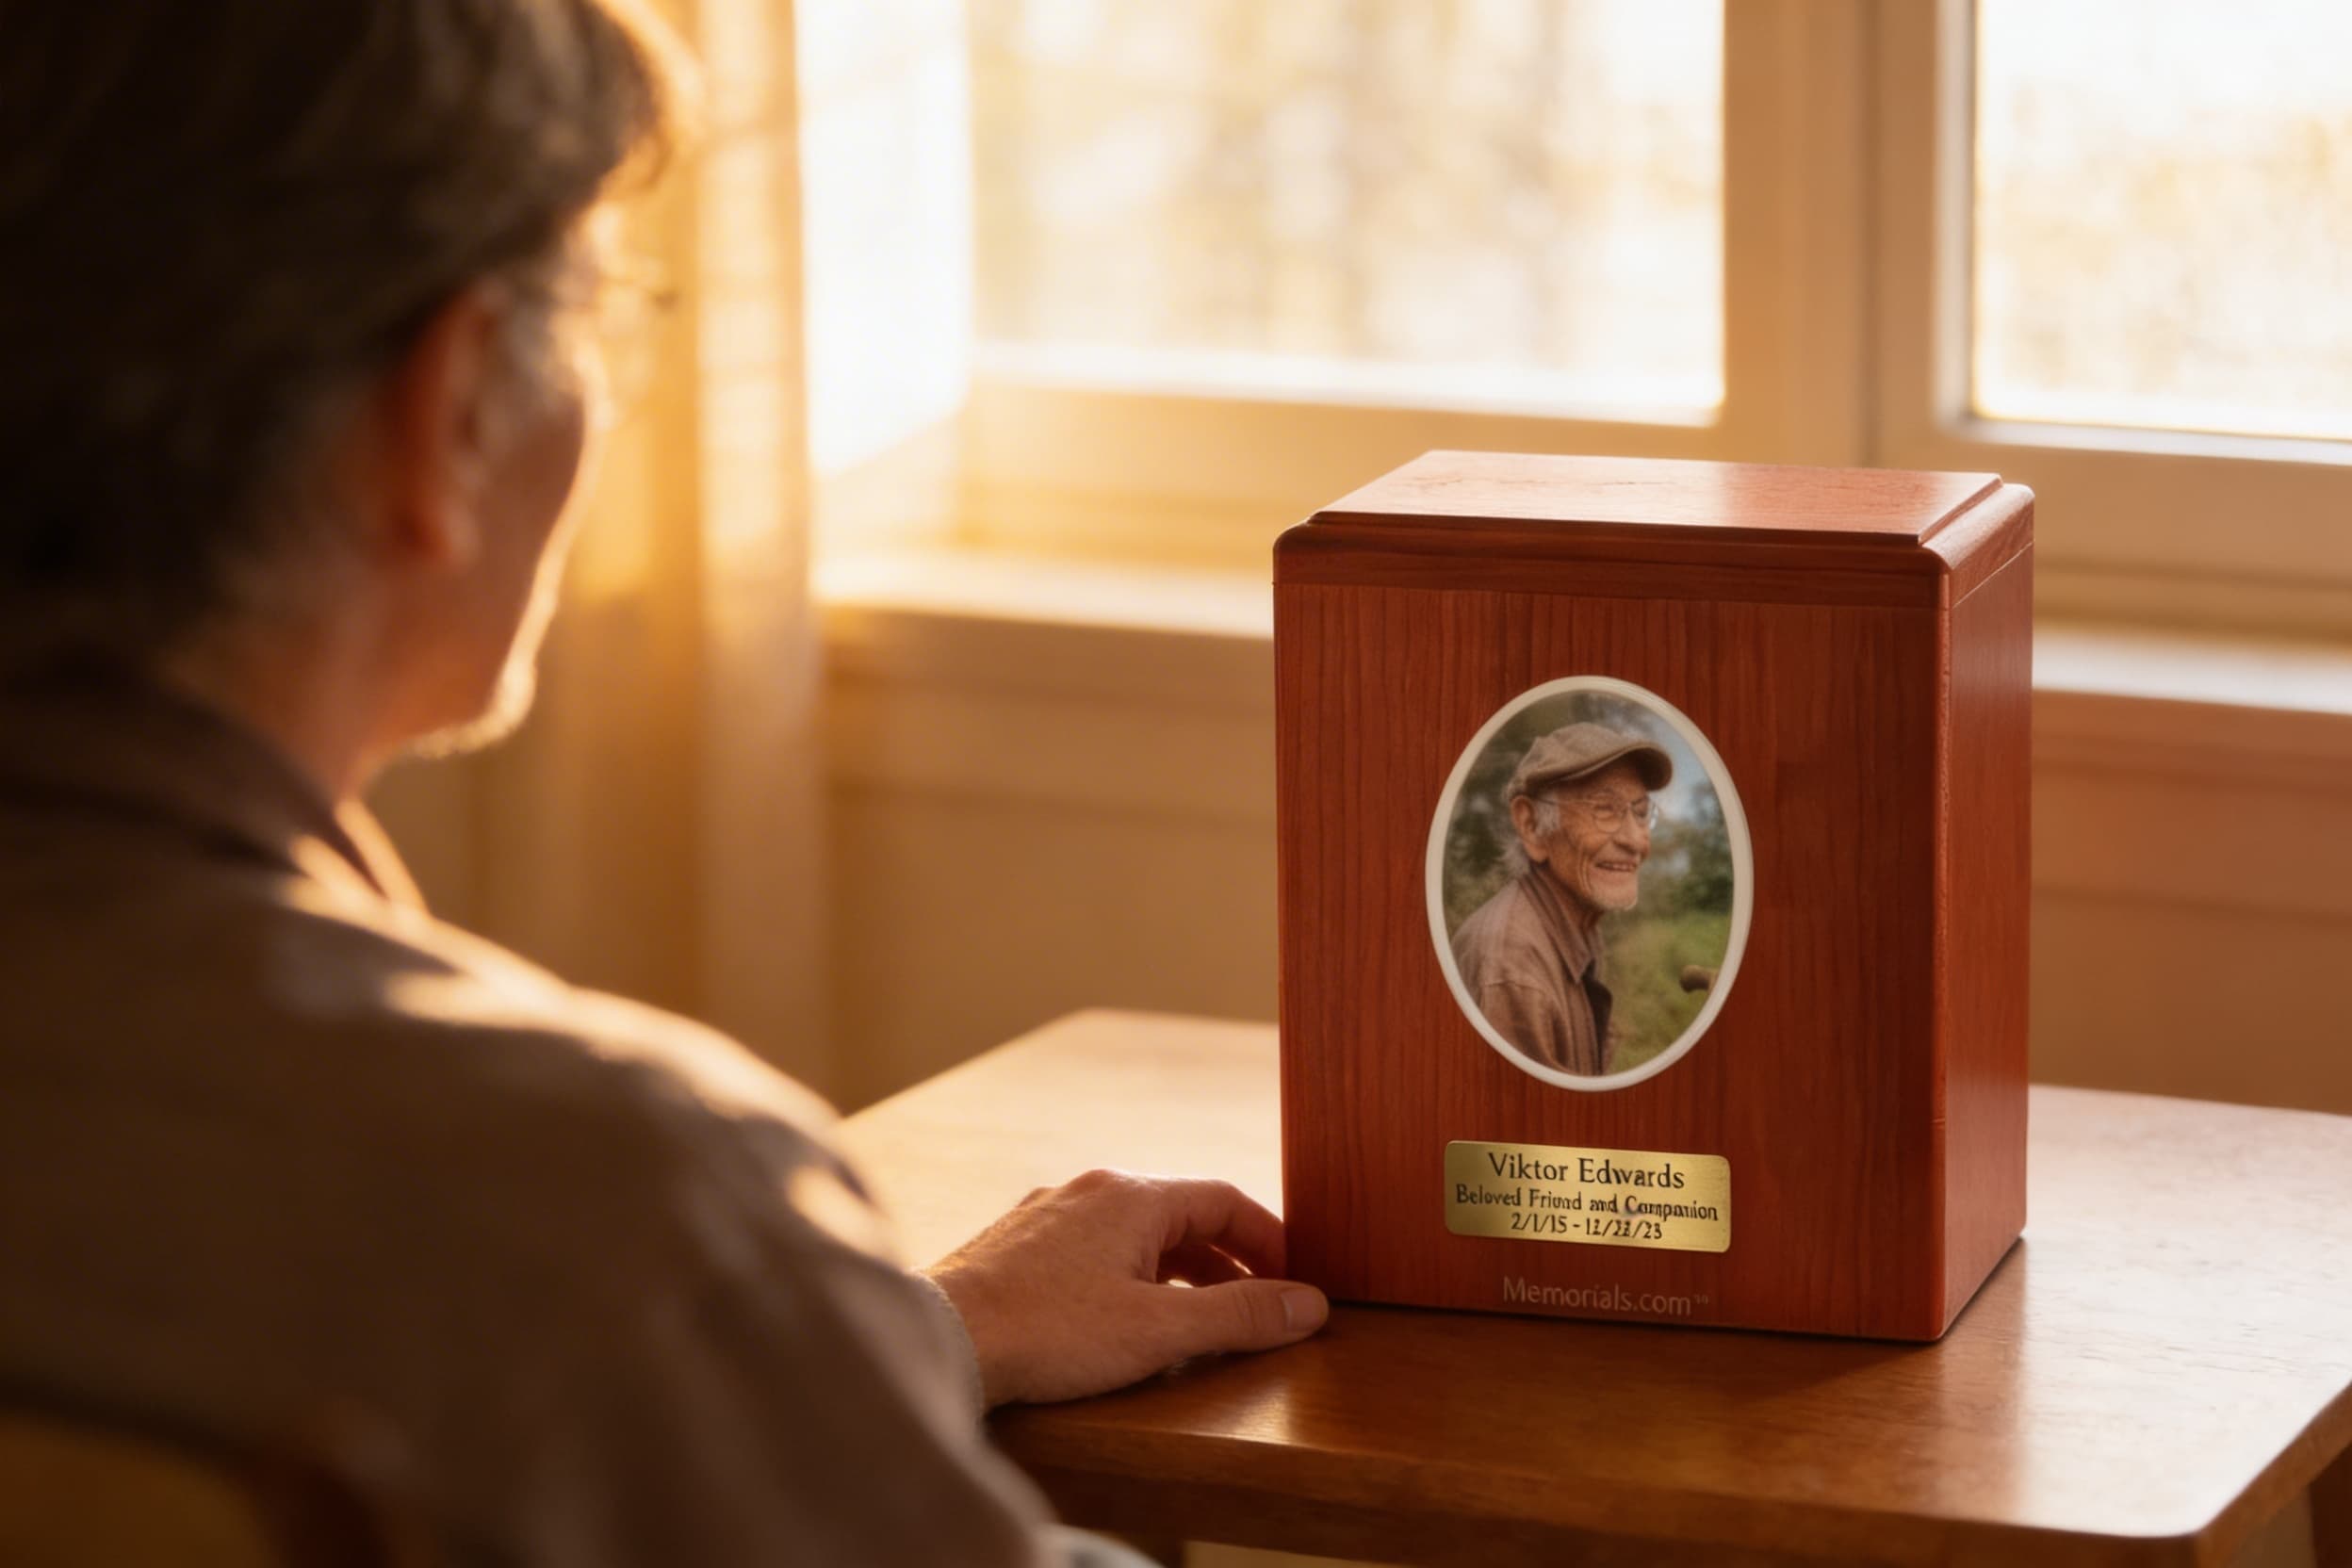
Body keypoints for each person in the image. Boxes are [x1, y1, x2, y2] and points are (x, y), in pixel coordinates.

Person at [0, 5, 1327, 1564]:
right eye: (590, 313)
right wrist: (765, 1313)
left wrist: (870, 1333)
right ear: (438, 416)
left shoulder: (607, 1281)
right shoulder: (601, 1216)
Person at [1449, 723, 1672, 1076]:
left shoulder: (1576, 922)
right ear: (1532, 825)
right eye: (1605, 809)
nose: (1635, 840)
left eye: (1641, 812)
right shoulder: (1513, 965)